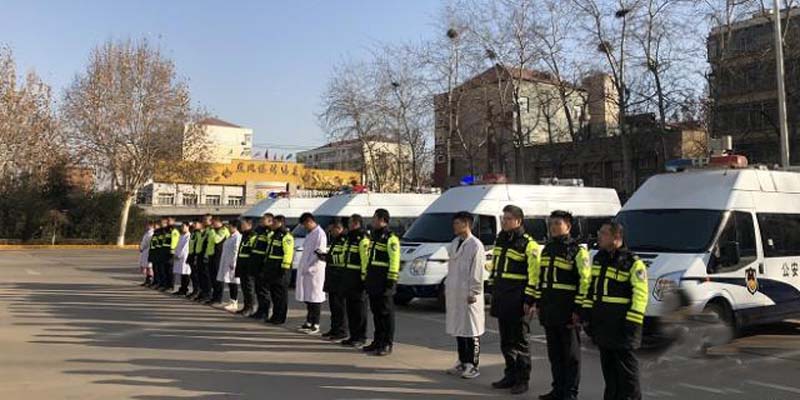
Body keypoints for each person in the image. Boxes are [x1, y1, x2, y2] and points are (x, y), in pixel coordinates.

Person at [582, 222, 648, 400]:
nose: (599, 236)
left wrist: (632, 322)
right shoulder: (599, 258)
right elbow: (592, 288)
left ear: (616, 237)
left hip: (622, 325)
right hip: (603, 324)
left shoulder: (632, 262)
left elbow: (640, 295)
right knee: (609, 371)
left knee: (627, 373)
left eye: (603, 233)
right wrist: (587, 313)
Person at [530, 211, 591, 400]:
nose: (553, 227)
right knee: (555, 354)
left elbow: (585, 282)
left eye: (558, 223)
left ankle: (570, 393)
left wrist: (578, 309)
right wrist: (538, 302)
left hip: (567, 311)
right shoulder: (547, 249)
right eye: (551, 224)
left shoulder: (577, 251)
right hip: (549, 309)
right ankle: (557, 390)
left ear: (568, 226)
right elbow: (541, 278)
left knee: (571, 355)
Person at [489, 205, 540, 395]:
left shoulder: (528, 244)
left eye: (508, 219)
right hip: (502, 296)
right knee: (506, 341)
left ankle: (522, 379)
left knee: (521, 342)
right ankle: (509, 375)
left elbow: (534, 275)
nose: (504, 221)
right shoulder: (501, 240)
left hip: (518, 299)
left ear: (518, 221)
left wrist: (530, 299)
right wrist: (492, 288)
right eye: (503, 218)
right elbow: (496, 267)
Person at [444, 211, 486, 380]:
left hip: (469, 294)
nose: (454, 226)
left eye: (457, 223)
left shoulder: (476, 245)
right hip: (456, 292)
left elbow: (477, 271)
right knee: (459, 329)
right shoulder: (455, 243)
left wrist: (473, 292)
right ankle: (462, 361)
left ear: (466, 224)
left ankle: (473, 364)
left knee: (472, 330)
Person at [363, 208, 400, 356]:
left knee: (386, 314)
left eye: (374, 218)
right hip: (374, 279)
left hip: (385, 280)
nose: (372, 221)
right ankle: (377, 341)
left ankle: (387, 343)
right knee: (376, 312)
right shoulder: (374, 236)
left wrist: (391, 279)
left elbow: (394, 260)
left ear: (382, 220)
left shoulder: (390, 238)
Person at [339, 214, 370, 348]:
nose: (348, 225)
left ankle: (360, 337)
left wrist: (364, 278)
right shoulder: (349, 238)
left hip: (358, 279)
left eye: (350, 223)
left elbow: (365, 260)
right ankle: (353, 336)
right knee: (350, 309)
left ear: (356, 223)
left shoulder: (362, 239)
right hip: (348, 278)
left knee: (359, 310)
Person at [295, 212, 327, 334]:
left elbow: (319, 253)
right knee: (308, 297)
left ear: (309, 221)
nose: (304, 227)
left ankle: (315, 324)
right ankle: (309, 321)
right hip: (307, 270)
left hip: (315, 271)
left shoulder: (320, 234)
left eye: (304, 225)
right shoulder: (310, 234)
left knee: (315, 298)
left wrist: (310, 268)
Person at [261, 215, 294, 324]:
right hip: (272, 269)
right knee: (274, 294)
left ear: (280, 223)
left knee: (281, 295)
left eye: (274, 223)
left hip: (281, 269)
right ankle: (275, 316)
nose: (272, 224)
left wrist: (284, 268)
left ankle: (280, 317)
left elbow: (288, 254)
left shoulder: (286, 236)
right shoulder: (274, 235)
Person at [322, 218, 349, 341]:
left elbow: (343, 258)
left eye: (332, 230)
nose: (331, 232)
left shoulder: (344, 240)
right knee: (333, 306)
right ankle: (334, 328)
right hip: (332, 276)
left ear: (338, 228)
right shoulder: (336, 240)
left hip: (339, 277)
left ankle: (341, 330)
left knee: (340, 306)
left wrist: (329, 259)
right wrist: (326, 256)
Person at [250, 213, 274, 319]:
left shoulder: (269, 232)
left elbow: (269, 248)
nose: (261, 221)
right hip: (256, 263)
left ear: (270, 221)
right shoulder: (259, 231)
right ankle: (260, 310)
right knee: (258, 289)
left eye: (263, 219)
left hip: (263, 263)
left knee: (264, 290)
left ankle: (265, 311)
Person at [217, 220, 243, 312]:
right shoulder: (230, 236)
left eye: (230, 226)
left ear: (235, 227)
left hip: (232, 263)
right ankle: (231, 301)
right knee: (229, 282)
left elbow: (236, 251)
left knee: (233, 282)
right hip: (227, 262)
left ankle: (234, 302)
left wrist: (233, 263)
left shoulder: (237, 237)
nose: (228, 228)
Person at [204, 217, 230, 305]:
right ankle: (214, 296)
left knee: (218, 277)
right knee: (212, 277)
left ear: (219, 222)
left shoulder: (223, 230)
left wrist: (212, 231)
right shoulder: (213, 230)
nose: (212, 224)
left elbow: (216, 240)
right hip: (212, 255)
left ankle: (218, 298)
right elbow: (209, 243)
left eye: (214, 222)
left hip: (219, 256)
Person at [235, 219, 257, 316]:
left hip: (248, 265)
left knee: (249, 288)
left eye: (243, 224)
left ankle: (250, 307)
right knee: (244, 287)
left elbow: (253, 252)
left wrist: (251, 265)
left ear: (249, 225)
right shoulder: (244, 236)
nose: (241, 226)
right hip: (242, 265)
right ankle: (246, 306)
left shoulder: (253, 236)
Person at [172, 222, 192, 294]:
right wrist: (175, 253)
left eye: (184, 226)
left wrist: (179, 255)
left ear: (188, 227)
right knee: (182, 273)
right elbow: (178, 246)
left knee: (186, 273)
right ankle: (182, 288)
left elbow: (185, 248)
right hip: (179, 257)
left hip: (184, 257)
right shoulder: (181, 236)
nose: (182, 228)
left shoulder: (188, 236)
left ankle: (185, 289)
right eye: (182, 227)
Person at [186, 221, 205, 299]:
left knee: (197, 275)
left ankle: (198, 291)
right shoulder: (193, 233)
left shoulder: (200, 233)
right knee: (193, 275)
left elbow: (199, 245)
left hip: (196, 255)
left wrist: (196, 256)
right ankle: (195, 290)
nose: (194, 225)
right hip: (191, 255)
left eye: (195, 223)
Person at [146, 220, 163, 288]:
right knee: (155, 269)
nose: (155, 227)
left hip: (158, 254)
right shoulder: (155, 234)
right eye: (154, 225)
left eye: (156, 225)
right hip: (154, 254)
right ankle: (155, 282)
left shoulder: (160, 234)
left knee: (159, 270)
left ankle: (160, 282)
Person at [139, 221, 155, 287]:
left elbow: (146, 243)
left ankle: (150, 279)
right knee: (147, 266)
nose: (146, 226)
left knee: (149, 266)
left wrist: (142, 247)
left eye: (147, 225)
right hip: (145, 251)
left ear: (151, 225)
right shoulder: (147, 233)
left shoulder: (151, 233)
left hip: (148, 251)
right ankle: (147, 279)